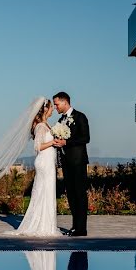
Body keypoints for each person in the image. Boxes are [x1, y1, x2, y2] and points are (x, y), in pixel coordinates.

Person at [14, 99, 60, 237]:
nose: (52, 110)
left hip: (48, 161)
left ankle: (46, 224)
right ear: (45, 109)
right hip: (44, 162)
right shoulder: (40, 126)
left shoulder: (45, 124)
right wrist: (53, 142)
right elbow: (38, 147)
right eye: (51, 107)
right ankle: (42, 226)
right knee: (44, 191)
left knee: (46, 192)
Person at [52, 92, 90, 236]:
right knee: (71, 195)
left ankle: (82, 228)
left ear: (65, 102)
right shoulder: (61, 120)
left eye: (57, 104)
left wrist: (66, 142)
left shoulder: (80, 117)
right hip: (66, 163)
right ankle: (75, 226)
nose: (55, 107)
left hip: (78, 162)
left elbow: (86, 138)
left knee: (80, 194)